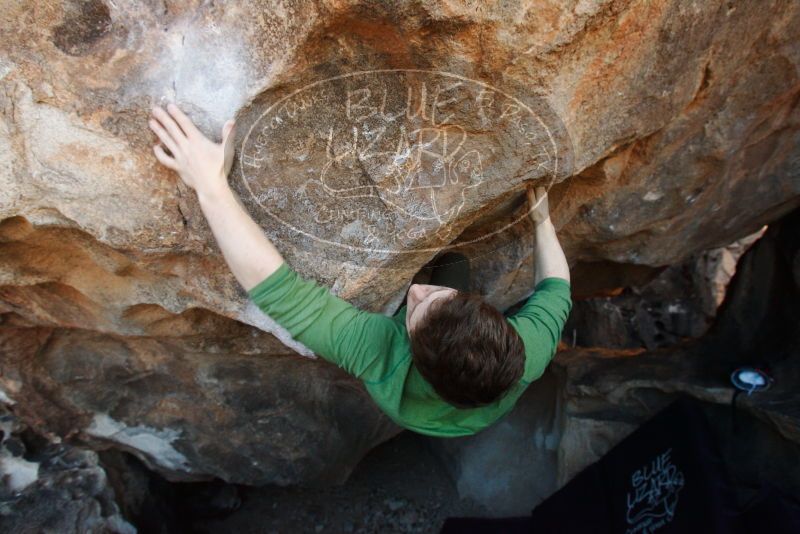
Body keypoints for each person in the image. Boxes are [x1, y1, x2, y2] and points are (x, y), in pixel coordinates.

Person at [148, 102, 572, 437]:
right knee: (454, 263)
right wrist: (541, 223)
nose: (416, 291)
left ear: (411, 353)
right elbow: (557, 292)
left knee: (448, 269)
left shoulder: (382, 357)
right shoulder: (527, 352)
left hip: (410, 406)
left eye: (415, 312)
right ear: (491, 317)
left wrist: (210, 184)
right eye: (441, 296)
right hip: (469, 413)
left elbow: (282, 295)